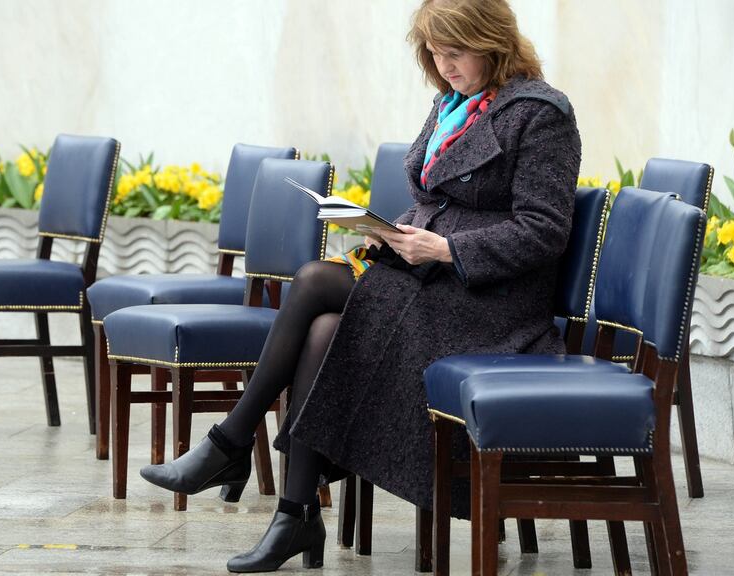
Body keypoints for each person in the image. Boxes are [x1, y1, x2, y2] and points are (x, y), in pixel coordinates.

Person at [140, 0, 582, 571]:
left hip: (490, 305)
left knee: (314, 283)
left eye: (456, 52)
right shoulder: (453, 104)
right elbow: (435, 199)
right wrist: (387, 236)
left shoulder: (542, 113)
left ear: (492, 42)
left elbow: (544, 231)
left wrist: (447, 249)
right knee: (322, 324)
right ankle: (292, 512)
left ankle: (232, 445)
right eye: (434, 53)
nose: (443, 65)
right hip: (429, 277)